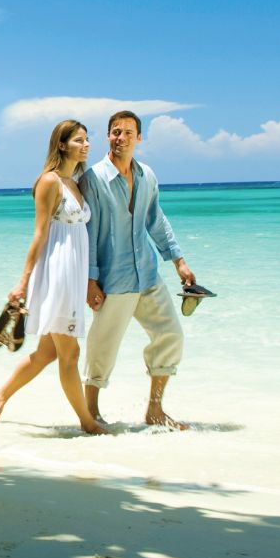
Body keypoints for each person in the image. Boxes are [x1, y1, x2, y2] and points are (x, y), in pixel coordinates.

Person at [0, 120, 108, 434]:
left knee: (47, 353)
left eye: (87, 140)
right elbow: (39, 234)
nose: (86, 145)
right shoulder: (49, 181)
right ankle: (87, 422)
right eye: (79, 140)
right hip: (57, 274)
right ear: (63, 144)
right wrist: (23, 282)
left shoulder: (75, 182)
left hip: (74, 273)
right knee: (71, 352)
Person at [82, 110, 196, 429]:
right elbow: (88, 232)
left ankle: (155, 410)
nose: (121, 138)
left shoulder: (147, 175)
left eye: (128, 133)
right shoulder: (93, 179)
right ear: (108, 136)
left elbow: (155, 220)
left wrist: (179, 261)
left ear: (139, 138)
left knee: (170, 335)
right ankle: (90, 412)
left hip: (147, 273)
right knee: (102, 346)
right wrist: (90, 279)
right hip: (113, 279)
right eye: (116, 132)